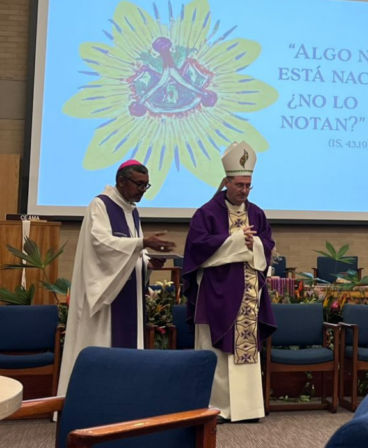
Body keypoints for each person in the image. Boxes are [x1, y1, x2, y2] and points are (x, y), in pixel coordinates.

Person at [57, 160, 174, 397]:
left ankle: (126, 402)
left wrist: (148, 262)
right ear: (121, 181)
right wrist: (142, 243)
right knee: (101, 348)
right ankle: (92, 403)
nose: (142, 190)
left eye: (146, 185)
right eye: (139, 184)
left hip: (128, 298)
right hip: (104, 301)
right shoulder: (99, 205)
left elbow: (131, 254)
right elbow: (101, 245)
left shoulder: (132, 212)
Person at [182, 141, 276, 423]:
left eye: (248, 186)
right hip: (216, 293)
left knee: (245, 351)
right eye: (239, 185)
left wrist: (255, 243)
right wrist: (237, 241)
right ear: (226, 182)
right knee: (217, 353)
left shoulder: (256, 212)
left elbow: (268, 244)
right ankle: (218, 408)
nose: (244, 191)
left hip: (249, 294)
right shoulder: (206, 213)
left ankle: (248, 409)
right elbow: (197, 247)